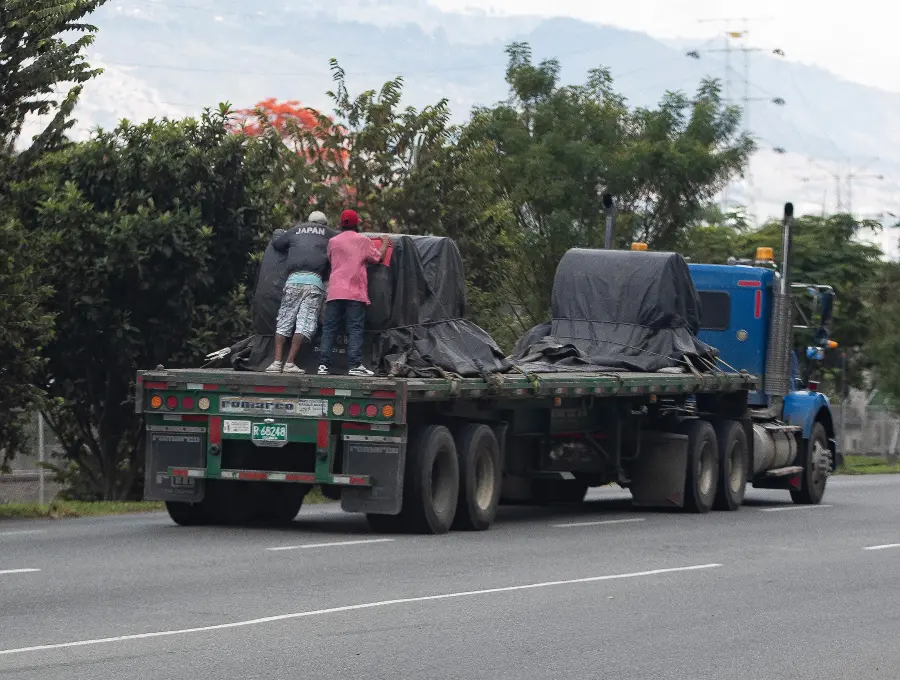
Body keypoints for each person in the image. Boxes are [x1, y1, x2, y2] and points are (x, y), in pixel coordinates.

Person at [318, 209, 389, 376]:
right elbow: (377, 258)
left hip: (335, 291)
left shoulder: (332, 241)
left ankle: (323, 365)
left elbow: (331, 259)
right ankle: (354, 365)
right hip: (354, 292)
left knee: (329, 328)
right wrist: (385, 242)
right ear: (357, 223)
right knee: (355, 328)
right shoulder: (362, 240)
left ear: (340, 224)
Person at [265, 211, 338, 373]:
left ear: (309, 221)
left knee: (284, 322)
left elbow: (277, 242)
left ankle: (276, 363)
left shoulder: (295, 230)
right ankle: (290, 363)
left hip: (293, 280)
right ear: (324, 224)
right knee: (304, 323)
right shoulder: (329, 233)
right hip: (314, 282)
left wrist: (278, 232)